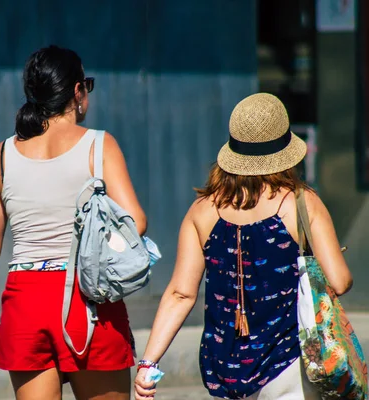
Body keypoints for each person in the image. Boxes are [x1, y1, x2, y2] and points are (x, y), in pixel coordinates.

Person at [134, 93, 353, 400]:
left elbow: (180, 294)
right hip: (288, 362)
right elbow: (340, 282)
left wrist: (148, 363)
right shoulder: (302, 203)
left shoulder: (202, 210)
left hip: (224, 367)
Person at [0, 45, 147, 400]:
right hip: (89, 299)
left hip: (25, 301)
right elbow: (135, 223)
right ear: (78, 92)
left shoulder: (3, 154)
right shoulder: (99, 144)